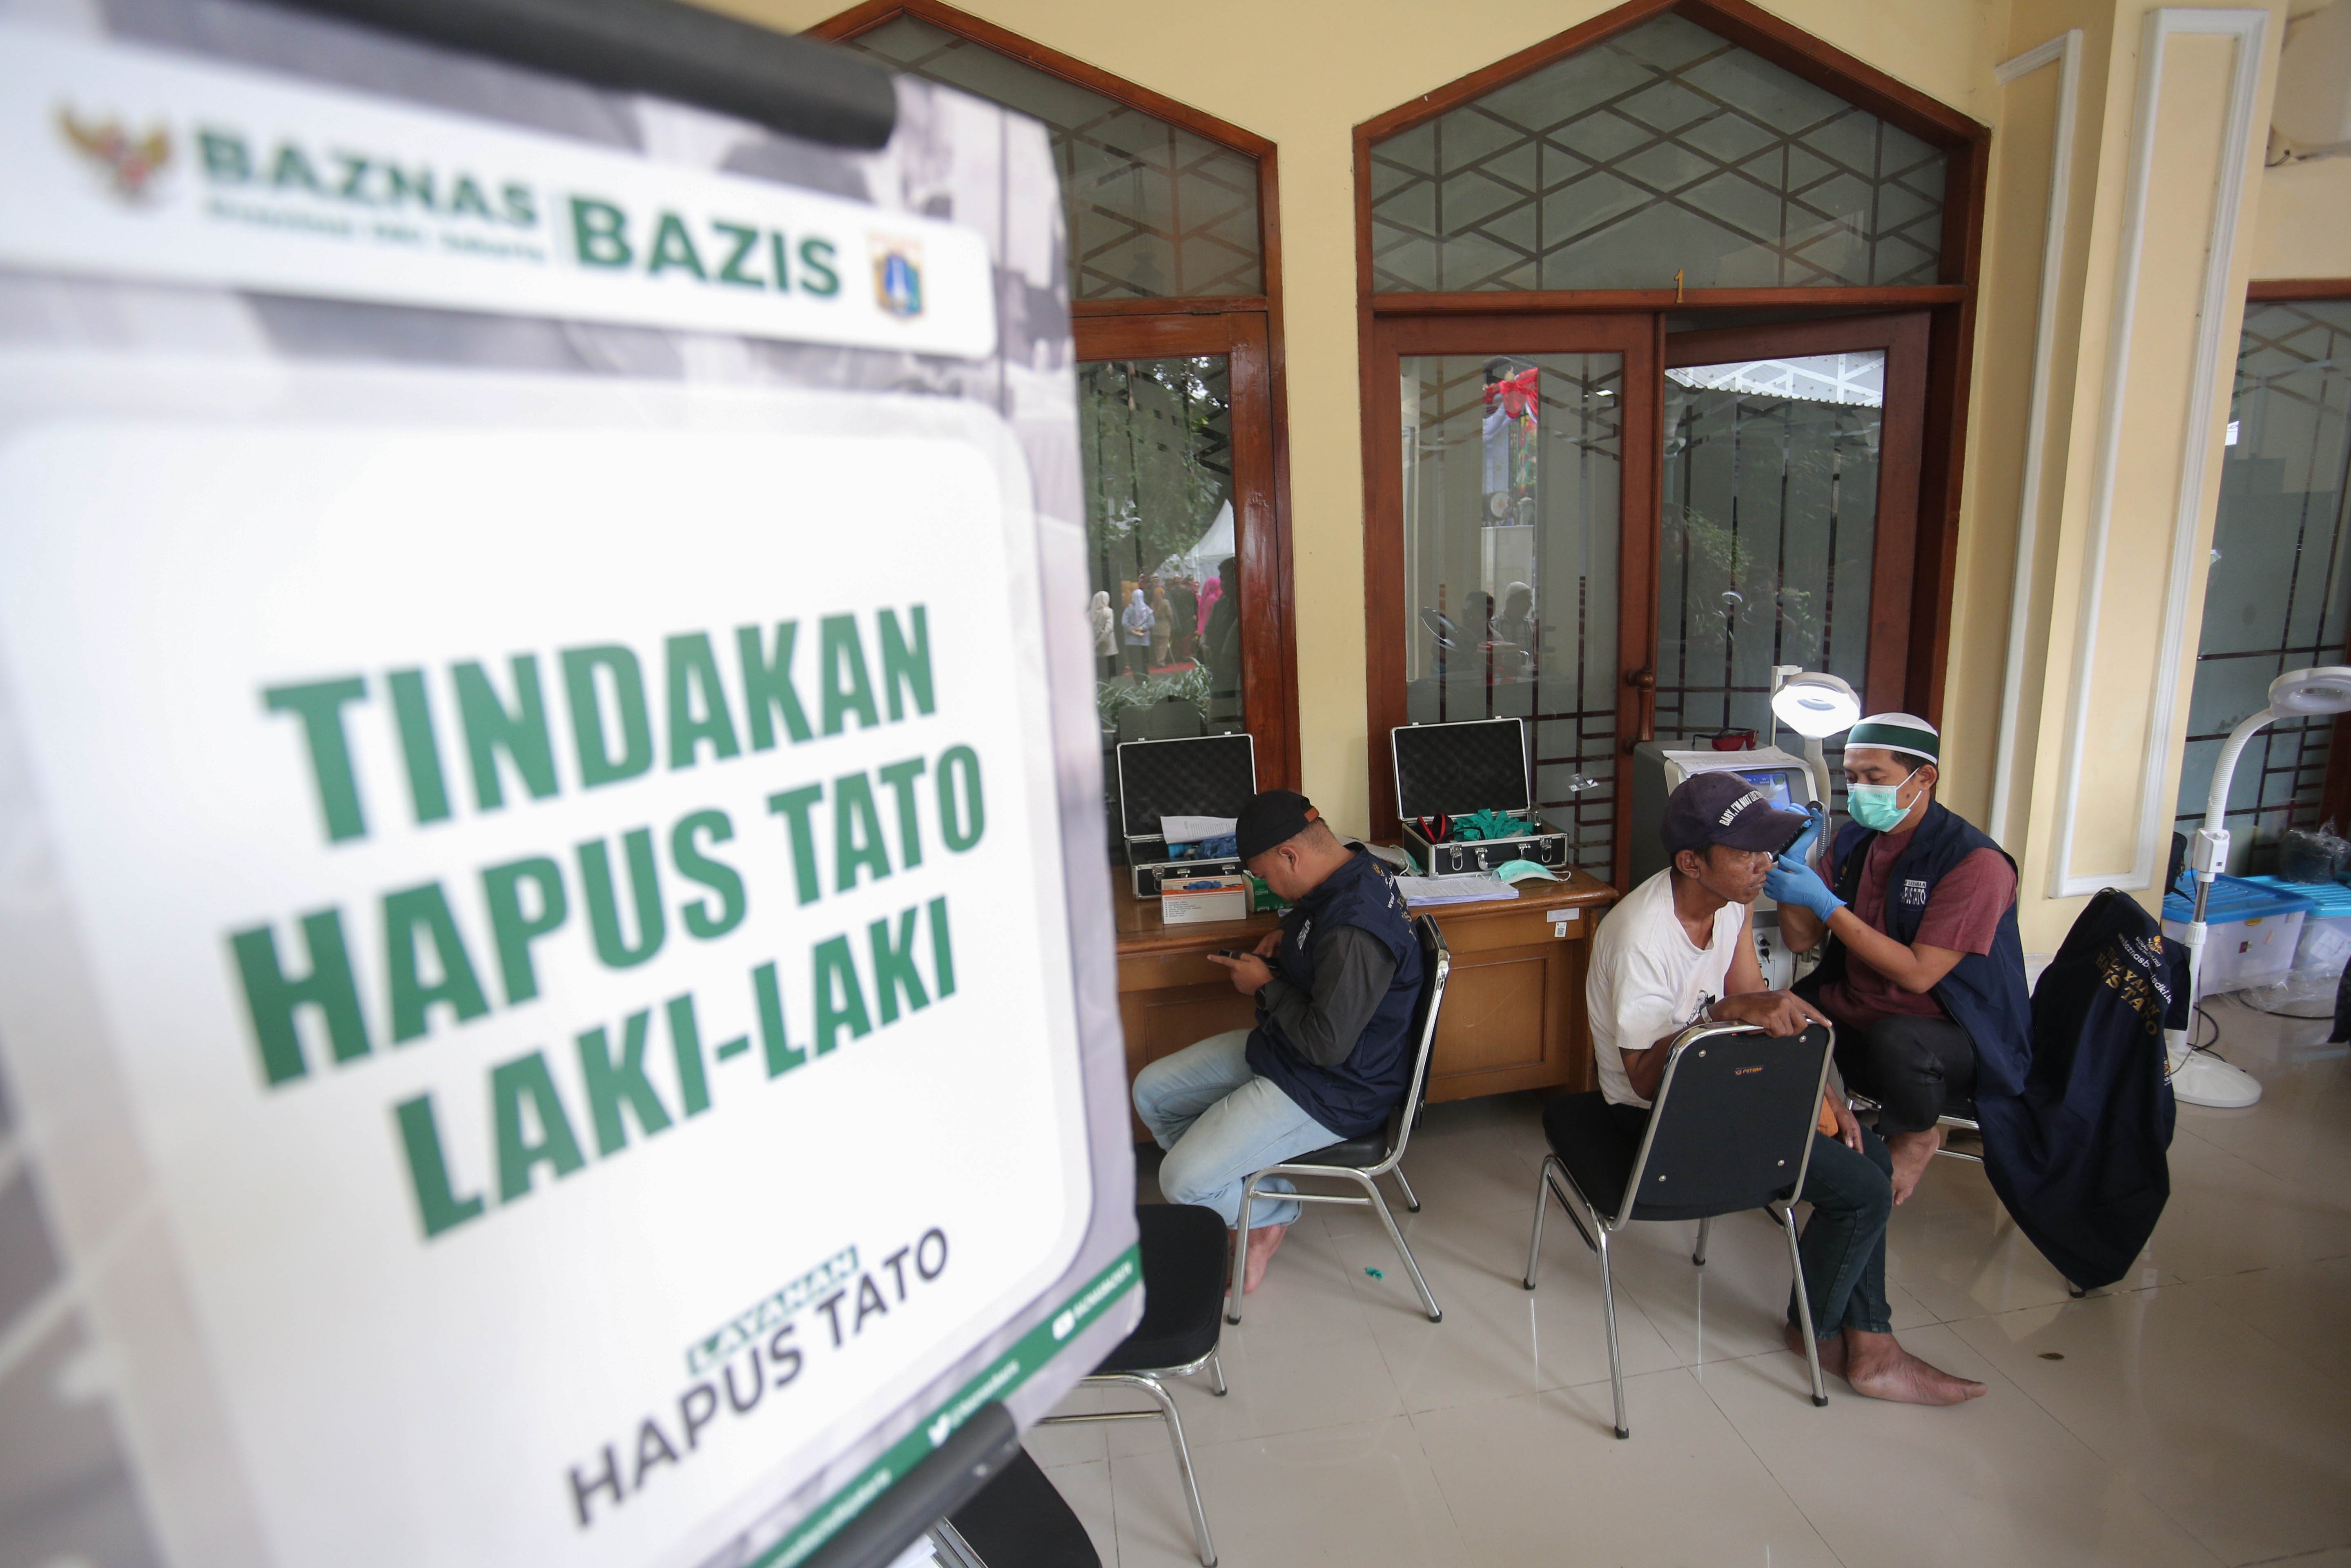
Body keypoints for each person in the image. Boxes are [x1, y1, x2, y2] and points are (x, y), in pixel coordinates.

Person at [1589, 771, 1985, 1405]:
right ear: (1692, 861)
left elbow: (1763, 1003)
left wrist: (1822, 1092)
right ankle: (1844, 1340)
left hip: (1718, 1083)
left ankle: (1854, 1337)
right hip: (1656, 1114)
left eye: (1766, 849)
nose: (1764, 865)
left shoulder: (1730, 905)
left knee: (1869, 1157)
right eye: (1747, 853)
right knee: (1863, 1191)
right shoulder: (1642, 937)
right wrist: (1718, 1015)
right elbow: (1643, 1076)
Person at [1132, 791, 1424, 1294]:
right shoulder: (1356, 868)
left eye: (1266, 876)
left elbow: (1326, 1044)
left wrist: (1264, 985)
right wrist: (1288, 935)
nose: (1269, 888)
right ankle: (1237, 1198)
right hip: (1289, 1049)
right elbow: (1316, 916)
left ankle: (1267, 1213)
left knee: (1180, 1183)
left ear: (1291, 854)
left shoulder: (1356, 928)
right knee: (1152, 1093)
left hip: (1334, 1085)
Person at [1768, 713, 2032, 1207]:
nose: (1860, 789)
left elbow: (1918, 974)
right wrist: (1792, 869)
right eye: (1852, 777)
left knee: (1900, 1040)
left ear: (1923, 778)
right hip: (1858, 1004)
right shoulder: (1855, 841)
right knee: (1776, 1010)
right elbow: (1801, 940)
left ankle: (1916, 1136)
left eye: (1875, 778)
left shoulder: (1975, 864)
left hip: (1951, 1032)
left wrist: (1828, 904)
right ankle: (1812, 1144)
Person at [1120, 587, 1154, 680]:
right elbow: (1151, 623)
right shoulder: (1148, 610)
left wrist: (1133, 630)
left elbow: (1124, 623)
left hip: (1132, 641)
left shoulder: (1128, 610)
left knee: (1135, 663)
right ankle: (1145, 680)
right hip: (1144, 640)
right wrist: (1142, 628)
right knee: (1145, 662)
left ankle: (1138, 681)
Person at [1089, 589, 1115, 679]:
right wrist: (1100, 641)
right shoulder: (1108, 612)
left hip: (1094, 646)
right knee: (1107, 672)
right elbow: (1109, 629)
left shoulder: (1090, 613)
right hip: (1107, 645)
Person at [1149, 580, 1174, 669]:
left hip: (1155, 627)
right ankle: (1161, 661)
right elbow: (1169, 614)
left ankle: (1157, 660)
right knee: (1163, 646)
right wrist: (1172, 621)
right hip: (1165, 626)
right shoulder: (1165, 603)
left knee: (1157, 646)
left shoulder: (1152, 604)